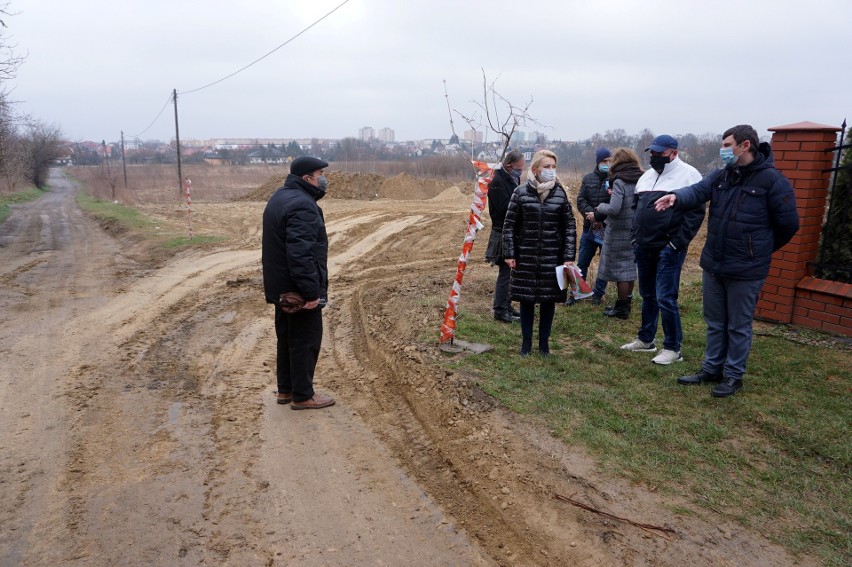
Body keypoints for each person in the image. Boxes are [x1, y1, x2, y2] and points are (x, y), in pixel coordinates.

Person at [655, 125, 799, 397]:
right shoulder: (722, 176)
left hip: (747, 269)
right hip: (714, 263)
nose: (723, 150)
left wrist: (759, 249)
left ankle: (733, 376)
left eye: (727, 144)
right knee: (715, 321)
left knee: (738, 325)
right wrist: (676, 196)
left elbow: (788, 225)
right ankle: (711, 369)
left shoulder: (772, 181)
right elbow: (697, 191)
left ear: (745, 145)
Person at [620, 134, 704, 365]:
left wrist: (676, 243)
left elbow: (695, 214)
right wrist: (635, 238)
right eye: (652, 153)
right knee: (647, 295)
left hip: (669, 248)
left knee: (666, 297)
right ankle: (646, 339)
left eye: (660, 153)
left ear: (673, 153)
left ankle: (672, 347)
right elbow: (637, 208)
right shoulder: (646, 177)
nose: (655, 157)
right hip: (644, 246)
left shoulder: (689, 175)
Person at [262, 156, 336, 410]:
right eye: (320, 174)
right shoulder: (303, 206)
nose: (323, 179)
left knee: (287, 339)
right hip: (297, 290)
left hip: (282, 289)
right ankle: (303, 395)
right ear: (307, 179)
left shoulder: (281, 196)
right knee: (305, 341)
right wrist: (311, 292)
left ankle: (286, 390)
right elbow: (301, 254)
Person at [503, 150, 577, 356]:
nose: (551, 171)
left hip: (552, 257)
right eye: (547, 167)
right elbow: (509, 226)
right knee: (526, 300)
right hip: (525, 256)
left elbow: (569, 227)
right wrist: (510, 253)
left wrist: (569, 257)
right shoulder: (520, 193)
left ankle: (544, 344)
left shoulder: (560, 194)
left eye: (554, 167)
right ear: (535, 169)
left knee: (548, 300)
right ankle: (526, 344)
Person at [593, 148, 644, 319]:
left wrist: (599, 208)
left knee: (620, 270)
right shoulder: (642, 178)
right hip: (636, 228)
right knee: (629, 268)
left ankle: (621, 307)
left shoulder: (619, 181)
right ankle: (626, 303)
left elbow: (614, 208)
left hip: (618, 231)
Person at [485, 149, 525, 323]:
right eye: (519, 168)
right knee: (505, 273)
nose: (521, 171)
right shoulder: (497, 182)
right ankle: (500, 310)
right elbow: (503, 208)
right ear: (509, 166)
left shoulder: (512, 178)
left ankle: (507, 306)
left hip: (512, 231)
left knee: (511, 272)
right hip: (502, 231)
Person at [572, 147, 612, 305]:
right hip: (589, 228)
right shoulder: (588, 178)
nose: (607, 164)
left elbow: (614, 203)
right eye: (604, 161)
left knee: (604, 263)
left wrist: (599, 216)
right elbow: (581, 199)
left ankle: (598, 294)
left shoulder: (615, 179)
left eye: (609, 161)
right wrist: (591, 216)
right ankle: (576, 293)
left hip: (607, 229)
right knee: (582, 262)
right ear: (598, 162)